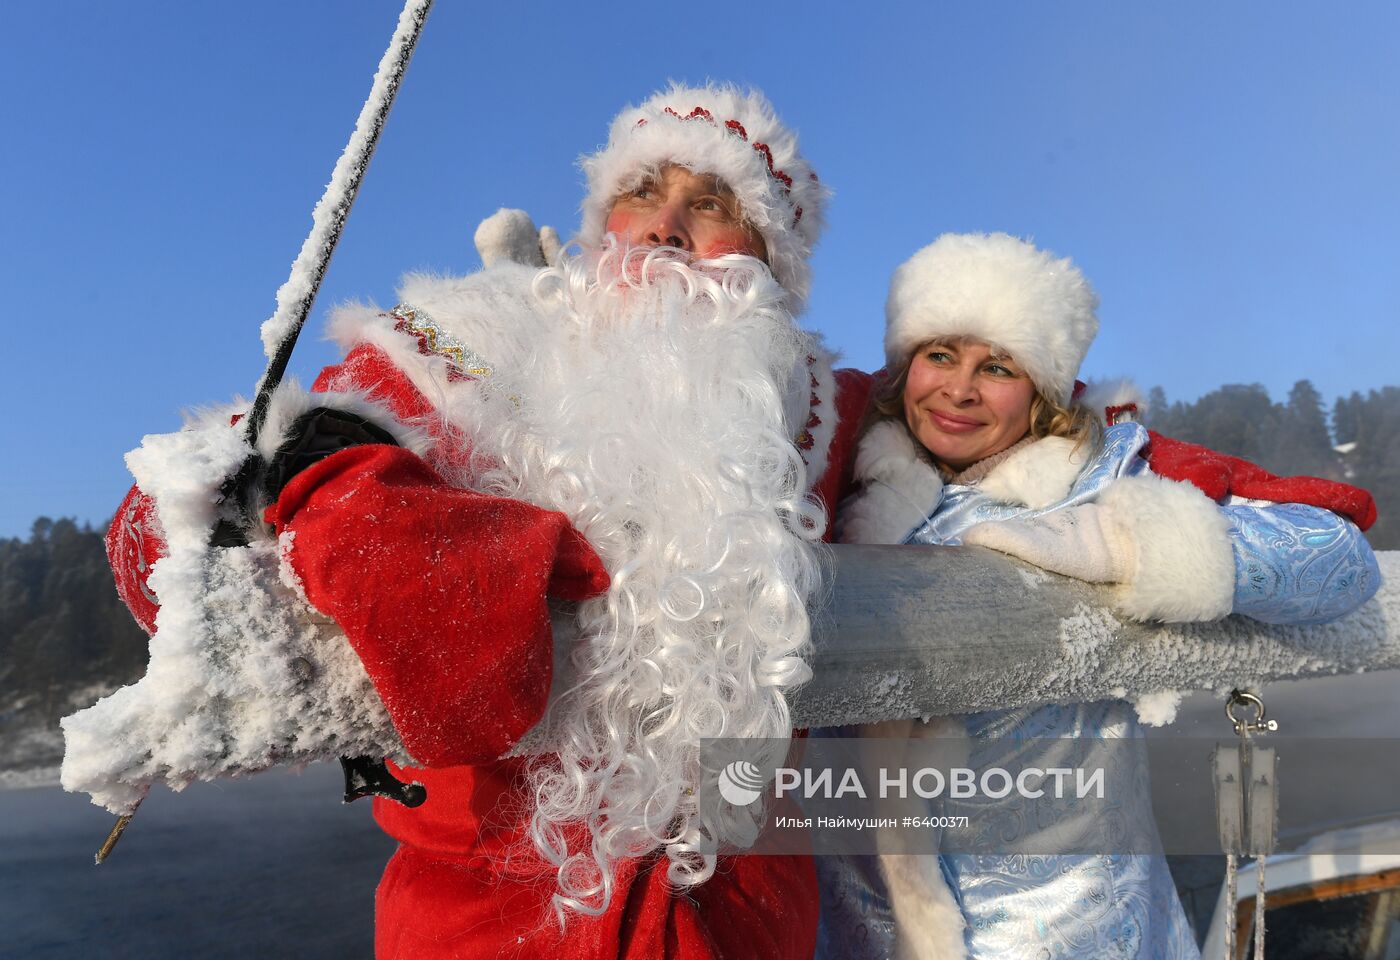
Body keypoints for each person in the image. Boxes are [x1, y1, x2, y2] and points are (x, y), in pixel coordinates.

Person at [99, 83, 874, 959]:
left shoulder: (824, 408)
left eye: (711, 206)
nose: (665, 228)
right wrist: (321, 480)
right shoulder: (475, 345)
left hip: (741, 916)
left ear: (772, 260)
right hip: (490, 911)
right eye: (642, 194)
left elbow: (993, 425)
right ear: (600, 226)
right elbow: (166, 528)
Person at [817, 232, 1381, 960]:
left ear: (1043, 388)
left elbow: (1340, 560)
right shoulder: (837, 472)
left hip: (1068, 930)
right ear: (904, 364)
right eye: (939, 355)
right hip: (862, 931)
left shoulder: (1101, 472)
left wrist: (1117, 545)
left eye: (997, 367)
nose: (959, 389)